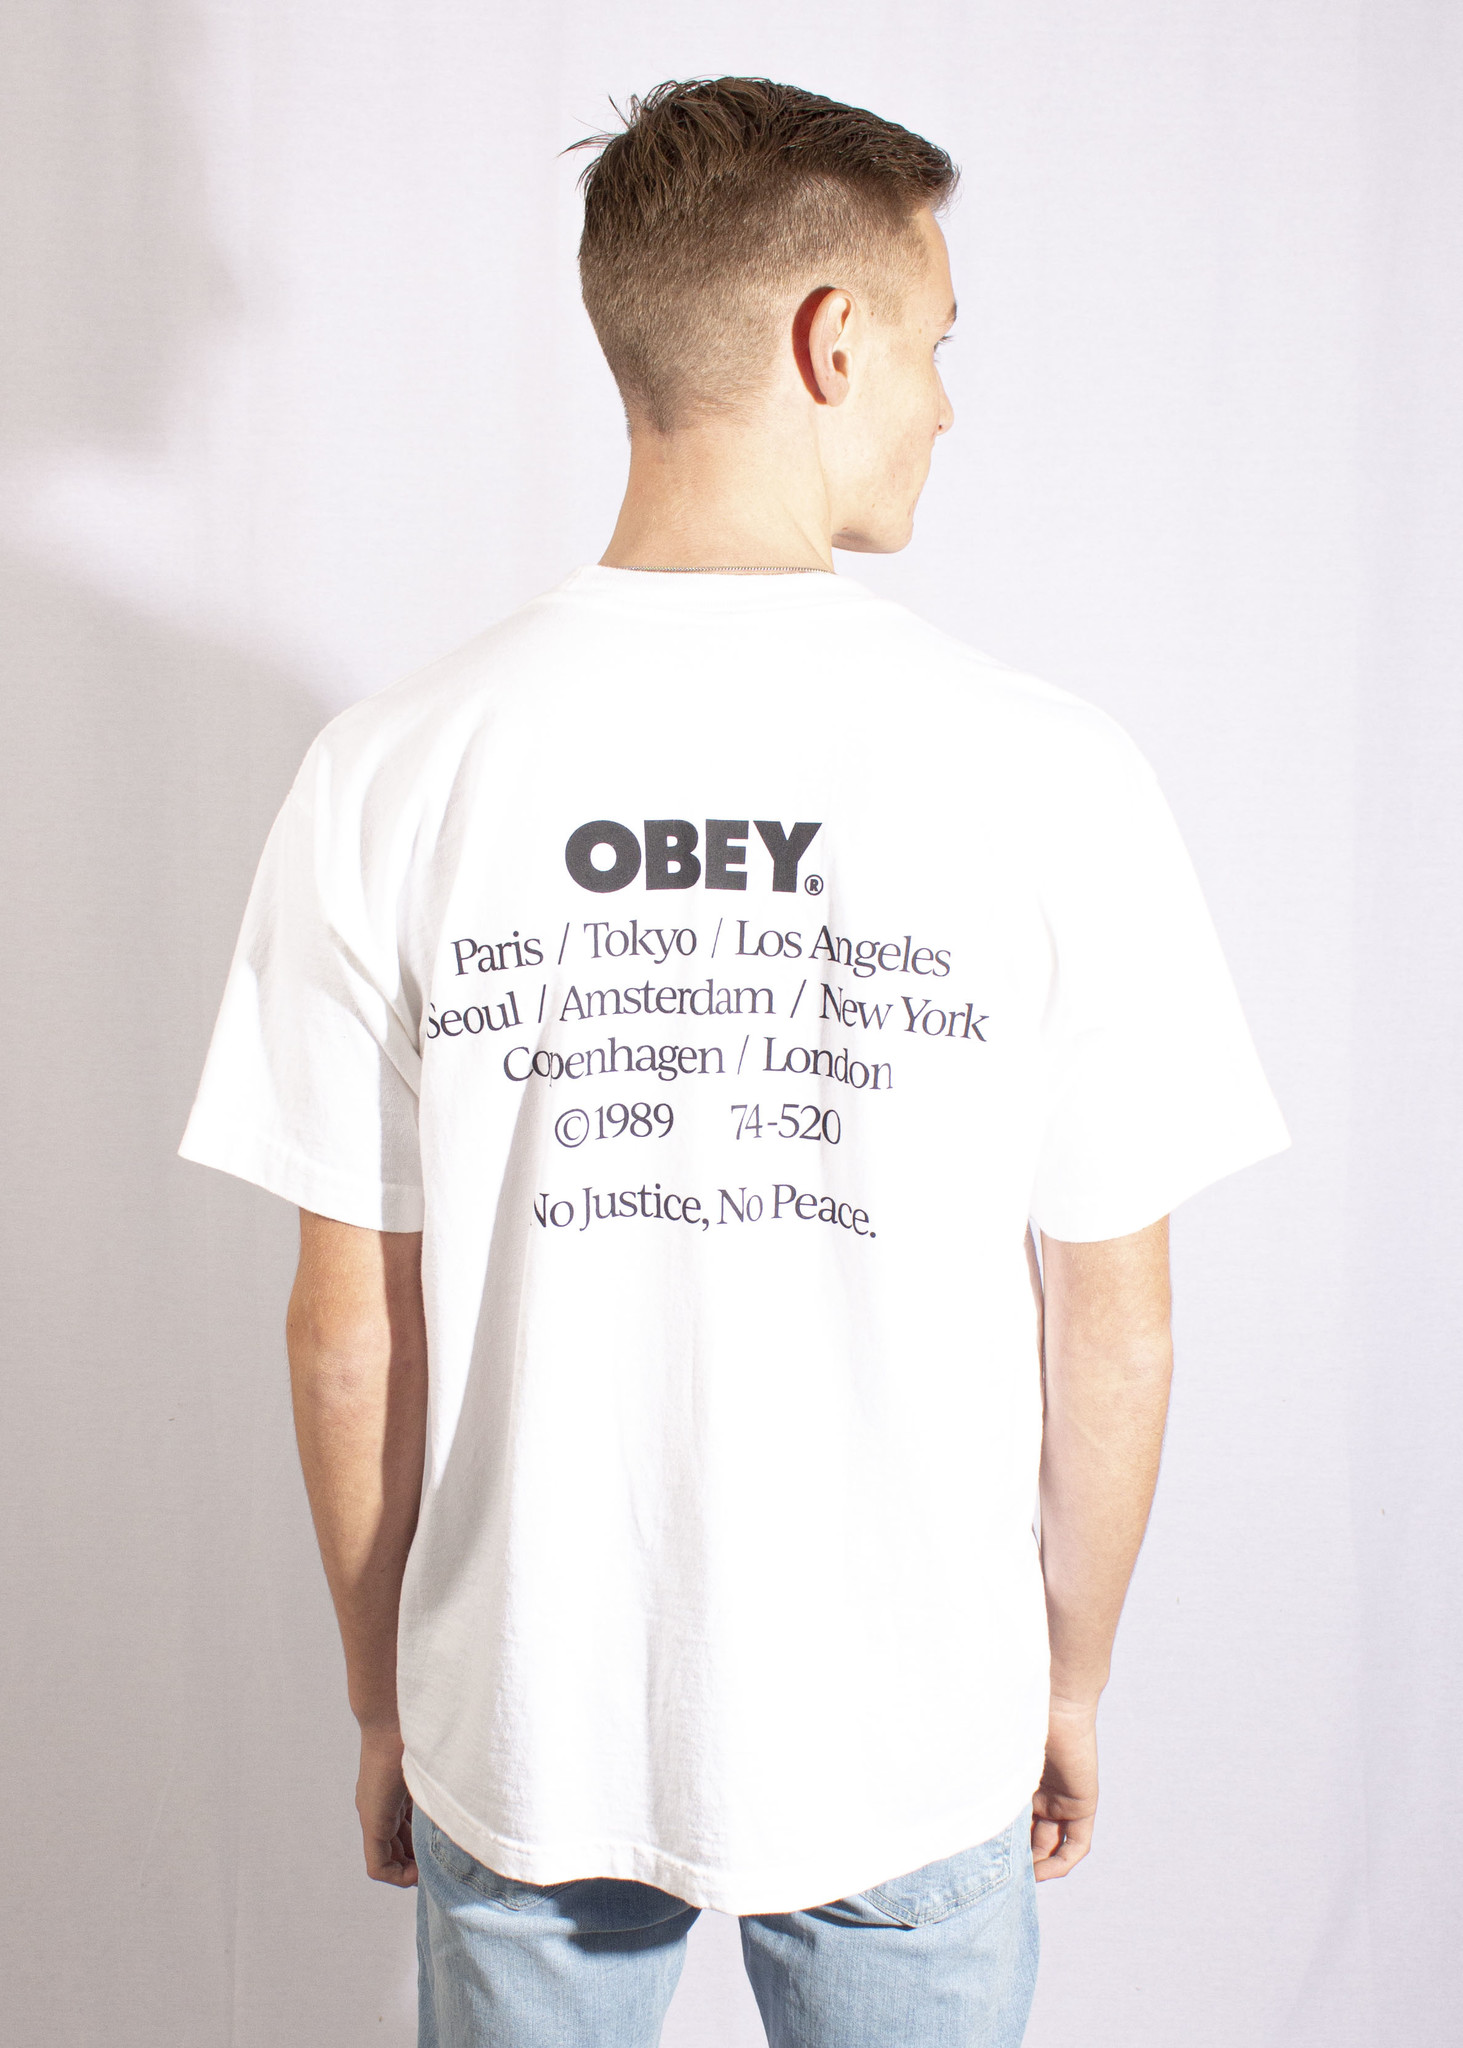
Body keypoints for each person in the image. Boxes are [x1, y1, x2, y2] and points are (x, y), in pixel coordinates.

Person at [180, 76, 1289, 2048]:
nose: (947, 402)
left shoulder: (392, 770)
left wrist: (384, 1699)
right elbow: (1115, 1322)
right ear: (831, 339)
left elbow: (349, 1333)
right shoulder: (1050, 774)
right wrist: (1070, 1679)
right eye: (936, 343)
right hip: (917, 1723)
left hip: (527, 1721)